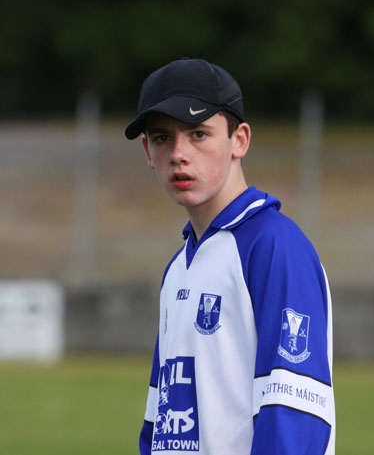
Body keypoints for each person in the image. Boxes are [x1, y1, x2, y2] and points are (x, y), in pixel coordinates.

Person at [125, 58, 335, 455]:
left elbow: (293, 412)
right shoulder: (179, 268)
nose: (179, 154)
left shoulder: (273, 245)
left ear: (239, 140)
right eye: (162, 138)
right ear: (148, 153)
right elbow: (161, 418)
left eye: (199, 134)